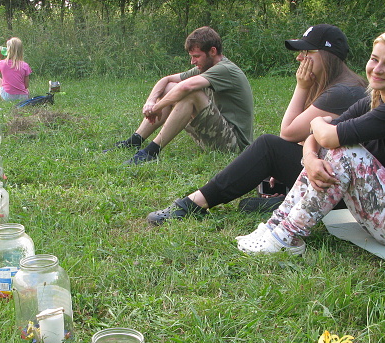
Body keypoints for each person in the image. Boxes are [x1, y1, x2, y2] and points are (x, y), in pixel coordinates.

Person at [236, 28, 385, 255]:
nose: (377, 69)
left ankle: (287, 236)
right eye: (374, 59)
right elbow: (315, 138)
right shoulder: (373, 100)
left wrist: (317, 122)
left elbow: (326, 136)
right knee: (330, 150)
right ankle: (275, 225)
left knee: (345, 152)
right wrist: (310, 159)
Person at [147, 24, 366, 225]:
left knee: (268, 147)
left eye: (307, 52)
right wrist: (282, 166)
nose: (299, 57)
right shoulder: (343, 85)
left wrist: (302, 87)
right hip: (333, 178)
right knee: (260, 175)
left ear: (326, 56)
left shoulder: (343, 92)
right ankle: (283, 197)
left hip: (341, 192)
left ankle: (194, 203)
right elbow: (307, 137)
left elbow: (288, 133)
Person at [113, 26, 254, 165]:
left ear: (212, 51)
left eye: (196, 56)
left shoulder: (225, 69)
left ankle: (151, 152)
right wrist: (150, 102)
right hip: (215, 137)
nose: (193, 61)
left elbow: (186, 87)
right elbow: (166, 80)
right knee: (170, 87)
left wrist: (157, 107)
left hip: (235, 146)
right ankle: (135, 140)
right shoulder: (206, 68)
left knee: (190, 93)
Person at [0, 37, 31, 101]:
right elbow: (26, 85)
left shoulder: (2, 63)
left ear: (8, 50)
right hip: (23, 97)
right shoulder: (25, 65)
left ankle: (3, 98)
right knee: (25, 89)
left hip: (8, 96)